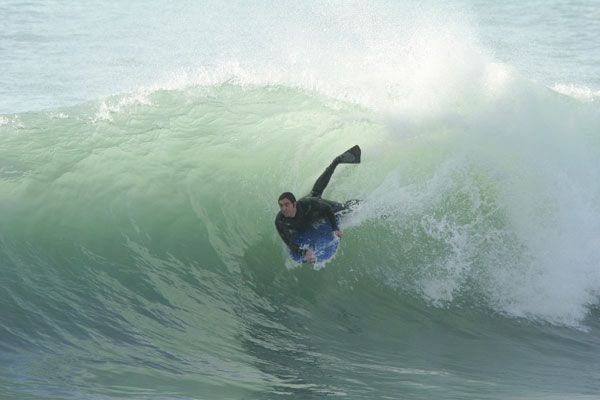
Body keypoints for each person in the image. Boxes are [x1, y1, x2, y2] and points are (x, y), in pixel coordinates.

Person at [275, 145, 361, 263]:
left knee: (345, 208)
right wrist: (304, 253)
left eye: (286, 205)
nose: (283, 209)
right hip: (310, 205)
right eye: (281, 206)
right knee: (314, 193)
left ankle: (337, 161)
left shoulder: (307, 205)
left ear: (294, 204)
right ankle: (336, 162)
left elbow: (327, 208)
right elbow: (290, 243)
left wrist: (335, 228)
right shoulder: (280, 221)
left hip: (317, 210)